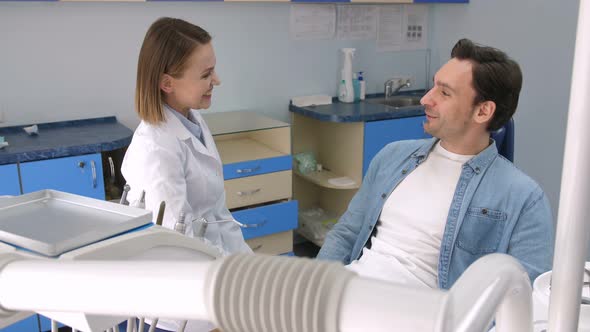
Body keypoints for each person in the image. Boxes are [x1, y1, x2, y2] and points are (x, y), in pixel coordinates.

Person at [317, 38, 554, 290]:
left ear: (483, 112)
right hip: (346, 296)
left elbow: (523, 295)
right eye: (433, 87)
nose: (425, 99)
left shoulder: (524, 198)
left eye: (444, 92)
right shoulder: (392, 157)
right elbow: (346, 234)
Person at [121, 17, 251, 332]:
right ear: (167, 83)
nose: (216, 80)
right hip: (181, 308)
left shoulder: (190, 119)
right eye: (206, 74)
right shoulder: (156, 149)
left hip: (213, 280)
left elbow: (215, 214)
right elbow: (179, 244)